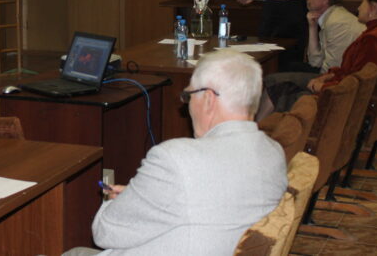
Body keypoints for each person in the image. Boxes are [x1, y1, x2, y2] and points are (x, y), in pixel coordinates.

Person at [66, 50, 287, 255]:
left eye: (188, 96)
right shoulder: (273, 152)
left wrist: (113, 203)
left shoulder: (177, 159)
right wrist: (138, 198)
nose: (187, 105)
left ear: (208, 99)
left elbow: (105, 233)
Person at [258, 0, 377, 118]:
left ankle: (264, 130)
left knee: (284, 91)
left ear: (373, 8)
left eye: (362, 2)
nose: (358, 7)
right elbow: (350, 71)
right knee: (279, 85)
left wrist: (324, 86)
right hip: (342, 88)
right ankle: (260, 130)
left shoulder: (373, 38)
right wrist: (328, 77)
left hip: (343, 99)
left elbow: (358, 82)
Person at [296, 0, 365, 73]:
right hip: (337, 74)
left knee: (279, 77)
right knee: (291, 66)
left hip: (345, 77)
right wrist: (312, 27)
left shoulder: (337, 23)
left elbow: (332, 70)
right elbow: (315, 62)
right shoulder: (331, 17)